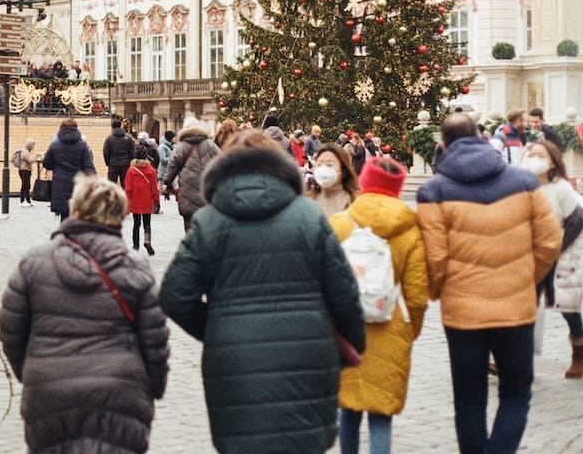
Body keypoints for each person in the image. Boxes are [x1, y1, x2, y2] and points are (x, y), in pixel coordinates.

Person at [160, 129, 365, 454]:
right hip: (307, 352)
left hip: (234, 359)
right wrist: (354, 340)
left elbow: (174, 294)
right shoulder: (309, 216)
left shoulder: (209, 222)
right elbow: (344, 291)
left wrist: (217, 329)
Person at [416, 112, 562, 454]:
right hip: (516, 309)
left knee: (468, 399)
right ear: (482, 138)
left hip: (463, 313)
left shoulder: (433, 191)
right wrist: (527, 279)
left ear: (442, 145)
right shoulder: (524, 182)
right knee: (515, 393)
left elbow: (434, 259)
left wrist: (439, 290)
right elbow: (550, 242)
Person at [0, 175, 170, 454]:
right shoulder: (135, 267)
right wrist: (154, 386)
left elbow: (11, 329)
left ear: (75, 210)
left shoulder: (34, 261)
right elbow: (155, 338)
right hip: (120, 389)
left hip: (49, 389)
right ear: (119, 217)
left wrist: (30, 371)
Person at [330, 157, 430, 454]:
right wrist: (412, 330)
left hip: (344, 330)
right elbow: (416, 293)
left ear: (364, 182)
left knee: (347, 411)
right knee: (381, 416)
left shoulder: (340, 223)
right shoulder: (409, 231)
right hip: (389, 324)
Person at [522, 138, 583, 378]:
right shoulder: (524, 187)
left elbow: (577, 219)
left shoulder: (561, 188)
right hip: (531, 254)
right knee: (525, 306)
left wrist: (558, 247)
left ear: (552, 162)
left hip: (558, 257)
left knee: (566, 306)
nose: (535, 159)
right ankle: (517, 358)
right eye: (532, 154)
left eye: (541, 155)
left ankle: (579, 353)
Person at [161, 123, 220, 233]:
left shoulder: (181, 146)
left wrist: (167, 182)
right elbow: (222, 163)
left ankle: (192, 244)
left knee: (189, 224)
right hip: (207, 191)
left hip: (187, 191)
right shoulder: (211, 145)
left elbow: (172, 166)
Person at [43, 117, 96, 223]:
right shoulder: (82, 146)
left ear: (61, 128)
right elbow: (88, 166)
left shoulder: (54, 146)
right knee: (78, 215)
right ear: (76, 128)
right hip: (78, 184)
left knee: (64, 216)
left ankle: (64, 236)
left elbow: (47, 164)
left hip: (60, 184)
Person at [124, 144, 159, 256]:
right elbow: (154, 188)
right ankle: (147, 240)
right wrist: (157, 201)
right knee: (147, 222)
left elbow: (128, 188)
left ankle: (135, 246)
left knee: (136, 223)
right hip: (147, 200)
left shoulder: (131, 170)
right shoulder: (151, 170)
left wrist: (126, 202)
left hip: (135, 200)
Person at [308, 143, 358, 217]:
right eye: (319, 165)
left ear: (343, 171)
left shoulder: (353, 201)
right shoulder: (311, 200)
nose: (323, 169)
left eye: (329, 165)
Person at [102, 119, 135, 187]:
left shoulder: (109, 139)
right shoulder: (128, 138)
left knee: (111, 186)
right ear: (121, 126)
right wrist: (129, 161)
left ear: (112, 127)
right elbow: (132, 151)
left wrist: (109, 162)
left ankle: (112, 197)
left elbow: (106, 152)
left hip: (113, 164)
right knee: (125, 185)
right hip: (125, 164)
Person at [16, 138, 38, 206]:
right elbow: (30, 161)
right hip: (24, 170)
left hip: (25, 170)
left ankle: (27, 201)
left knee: (26, 186)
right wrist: (36, 157)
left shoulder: (25, 151)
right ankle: (23, 201)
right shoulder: (25, 151)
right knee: (25, 186)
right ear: (29, 145)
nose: (33, 147)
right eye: (33, 145)